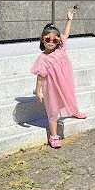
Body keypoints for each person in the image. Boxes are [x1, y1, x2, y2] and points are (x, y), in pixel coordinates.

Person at [31, 8, 86, 148]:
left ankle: (74, 111)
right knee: (53, 110)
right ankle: (53, 135)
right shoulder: (42, 58)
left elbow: (66, 34)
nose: (51, 41)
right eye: (47, 39)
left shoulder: (60, 48)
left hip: (64, 81)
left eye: (54, 39)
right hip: (51, 87)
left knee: (69, 96)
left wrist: (69, 19)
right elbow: (40, 76)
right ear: (42, 40)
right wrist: (38, 91)